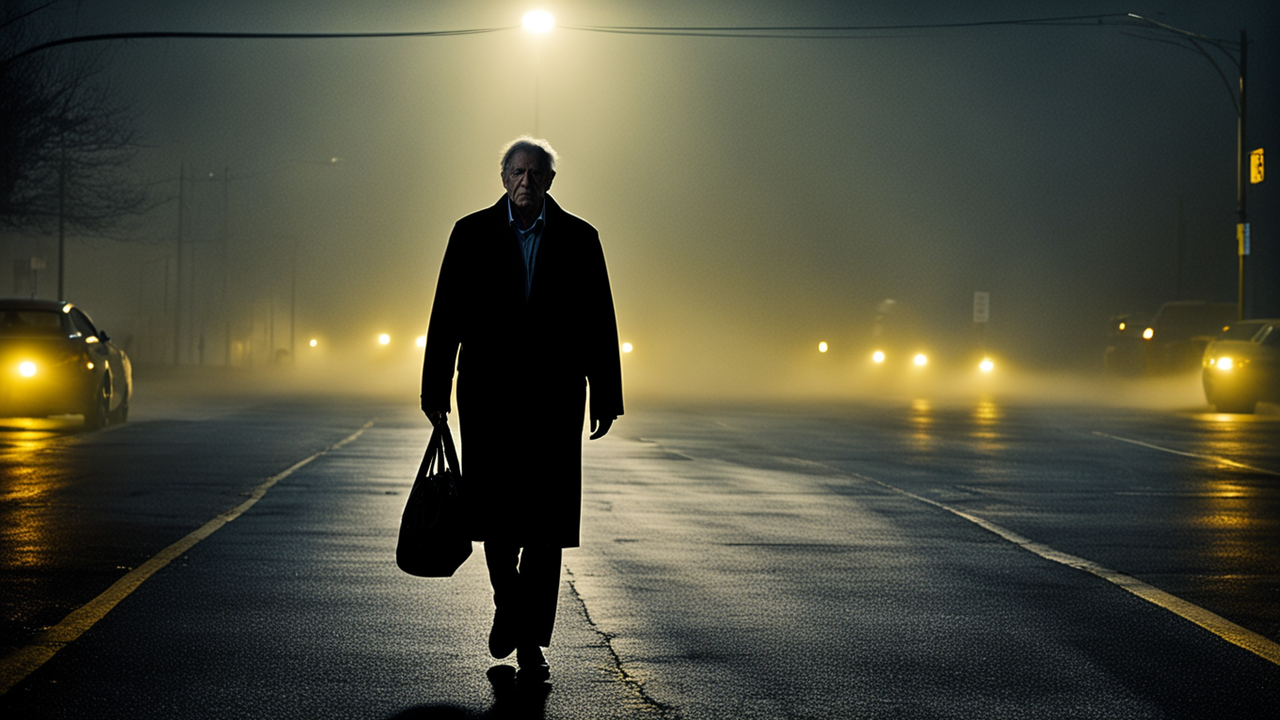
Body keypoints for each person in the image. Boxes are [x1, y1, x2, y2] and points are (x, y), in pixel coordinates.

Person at [420, 137, 624, 682]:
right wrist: (433, 390)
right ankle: (512, 607)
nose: (526, 182)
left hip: (555, 400)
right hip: (487, 399)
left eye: (536, 173)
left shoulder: (581, 239)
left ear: (550, 181)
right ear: (503, 176)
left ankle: (529, 640)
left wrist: (606, 395)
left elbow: (599, 323)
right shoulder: (470, 234)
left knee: (546, 524)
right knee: (493, 515)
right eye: (517, 172)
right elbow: (445, 316)